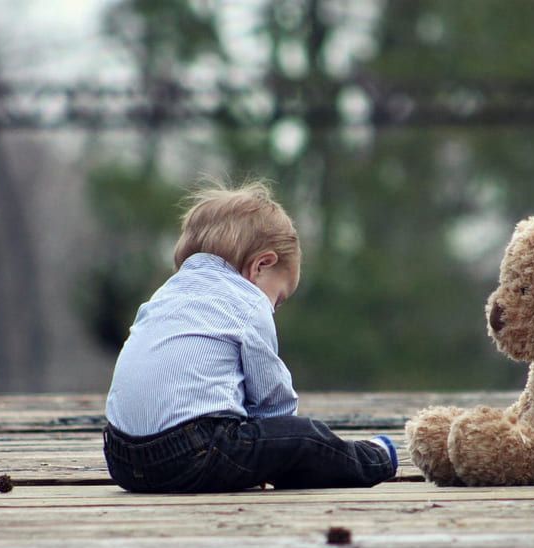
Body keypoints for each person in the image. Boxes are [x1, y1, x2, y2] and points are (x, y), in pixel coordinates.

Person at [103, 179, 398, 493]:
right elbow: (273, 400)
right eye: (279, 298)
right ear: (261, 265)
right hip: (192, 453)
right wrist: (281, 443)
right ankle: (375, 458)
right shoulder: (248, 302)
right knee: (305, 438)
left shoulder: (164, 295)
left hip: (121, 459)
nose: (274, 309)